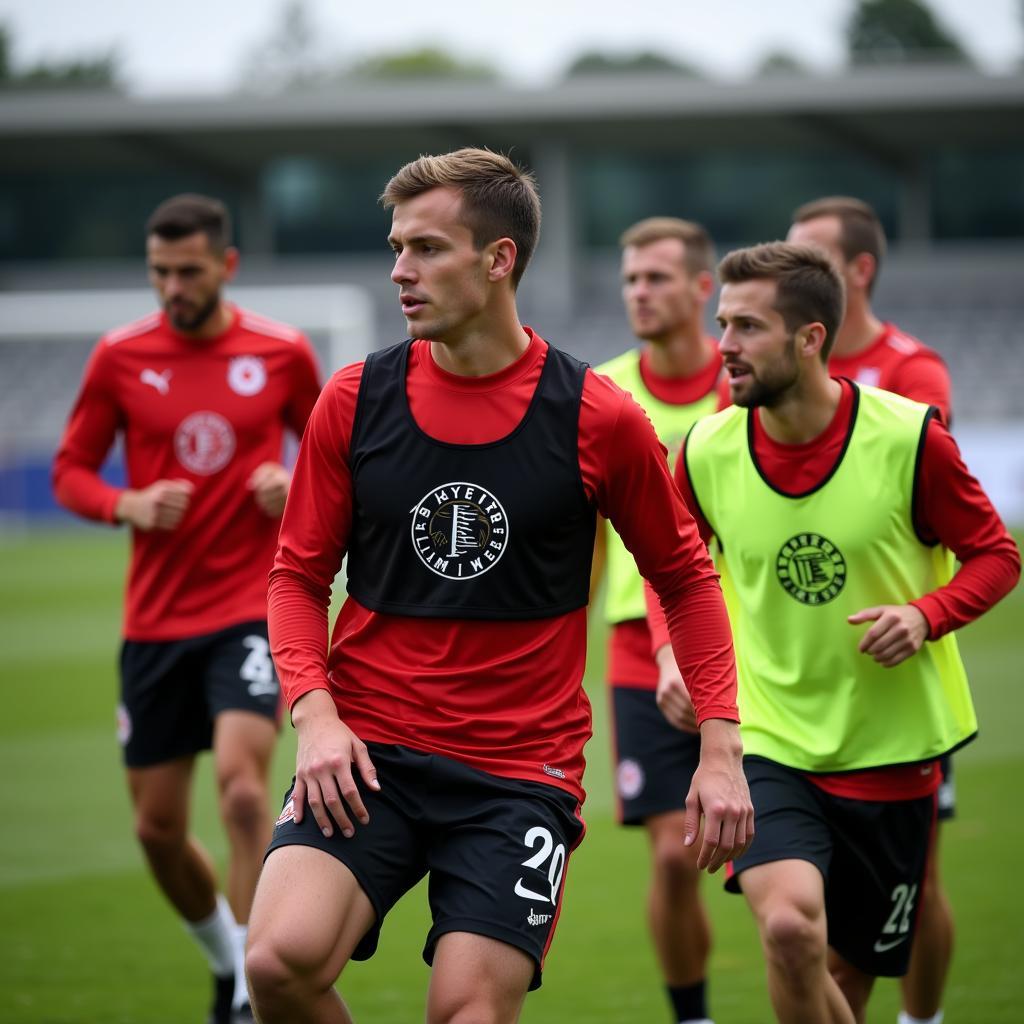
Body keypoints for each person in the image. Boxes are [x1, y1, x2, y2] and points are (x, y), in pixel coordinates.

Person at [243, 148, 754, 1024]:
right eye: (398, 247)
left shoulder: (596, 415)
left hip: (518, 773)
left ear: (498, 259)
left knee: (467, 1015)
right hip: (365, 751)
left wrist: (721, 747)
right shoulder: (354, 399)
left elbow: (686, 580)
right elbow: (296, 576)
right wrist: (315, 715)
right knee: (277, 963)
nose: (400, 271)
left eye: (428, 249)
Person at [649, 241, 1020, 1024]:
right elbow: (668, 568)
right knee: (787, 928)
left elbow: (996, 555)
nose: (724, 347)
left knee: (846, 976)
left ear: (810, 338)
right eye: (723, 324)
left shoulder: (908, 439)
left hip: (894, 749)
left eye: (747, 327)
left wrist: (927, 615)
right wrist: (666, 653)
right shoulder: (708, 449)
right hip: (770, 738)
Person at [52, 194, 322, 1024]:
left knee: (244, 793)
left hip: (250, 607)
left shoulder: (280, 353)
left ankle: (248, 991)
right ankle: (224, 962)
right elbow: (71, 471)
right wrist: (124, 505)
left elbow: (334, 454)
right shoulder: (119, 356)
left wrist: (293, 482)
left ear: (227, 267)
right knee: (157, 832)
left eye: (189, 271)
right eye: (160, 272)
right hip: (155, 625)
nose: (173, 287)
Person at [787, 196, 954, 1024]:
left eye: (809, 257)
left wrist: (921, 612)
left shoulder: (912, 378)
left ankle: (922, 1018)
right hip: (796, 692)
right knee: (796, 920)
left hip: (894, 691)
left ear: (859, 271)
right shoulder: (764, 379)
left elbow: (936, 517)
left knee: (920, 883)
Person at [590, 216, 728, 1024]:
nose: (639, 293)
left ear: (702, 288)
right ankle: (693, 1016)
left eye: (657, 278)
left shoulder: (747, 383)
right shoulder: (602, 391)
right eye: (631, 280)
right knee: (677, 860)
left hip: (750, 649)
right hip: (639, 655)